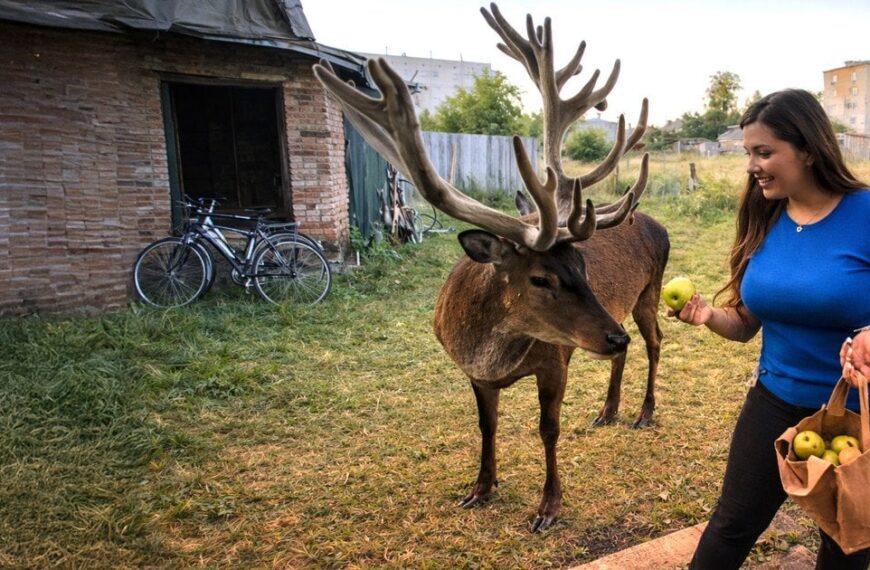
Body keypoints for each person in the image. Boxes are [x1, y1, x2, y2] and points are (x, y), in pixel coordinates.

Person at [670, 88, 870, 569]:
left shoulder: (865, 214)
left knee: (847, 541)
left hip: (859, 414)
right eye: (748, 153)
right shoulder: (764, 217)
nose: (751, 166)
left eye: (764, 152)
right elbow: (744, 325)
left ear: (806, 148)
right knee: (732, 524)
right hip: (774, 400)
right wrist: (707, 316)